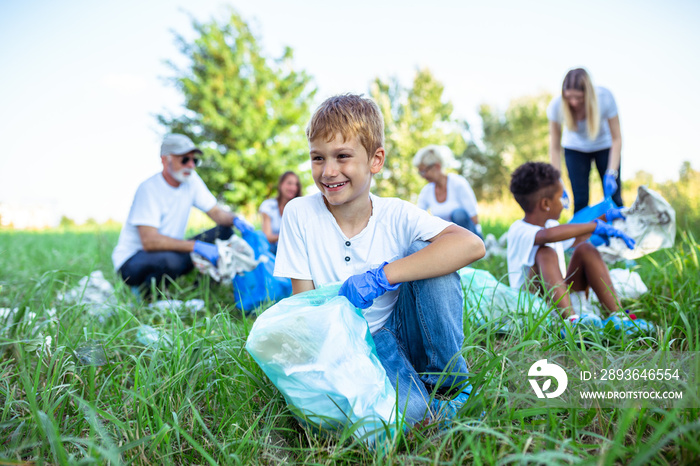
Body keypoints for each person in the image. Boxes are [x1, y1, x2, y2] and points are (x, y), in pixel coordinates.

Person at [274, 94, 485, 426]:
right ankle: (425, 406)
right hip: (348, 347)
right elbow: (303, 304)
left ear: (375, 160)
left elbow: (470, 245)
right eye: (318, 158)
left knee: (431, 257)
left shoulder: (396, 213)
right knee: (407, 418)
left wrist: (383, 276)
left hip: (400, 329)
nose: (328, 172)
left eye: (343, 156)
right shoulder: (299, 213)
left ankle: (445, 382)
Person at [506, 162, 650, 331]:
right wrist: (594, 226)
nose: (564, 202)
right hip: (533, 306)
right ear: (545, 204)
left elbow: (575, 237)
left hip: (558, 299)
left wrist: (605, 218)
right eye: (561, 197)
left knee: (585, 249)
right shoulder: (519, 229)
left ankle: (618, 317)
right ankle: (572, 322)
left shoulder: (552, 225)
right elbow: (545, 237)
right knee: (546, 252)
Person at [112, 133, 252, 293]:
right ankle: (148, 296)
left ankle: (200, 292)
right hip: (133, 261)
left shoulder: (191, 181)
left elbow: (215, 211)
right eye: (184, 159)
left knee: (224, 231)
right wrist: (197, 246)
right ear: (165, 160)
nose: (191, 165)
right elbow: (149, 242)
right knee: (171, 260)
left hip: (170, 251)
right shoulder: (149, 189)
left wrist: (235, 220)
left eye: (194, 160)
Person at [548, 68, 623, 213]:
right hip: (574, 149)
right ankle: (581, 234)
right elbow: (555, 148)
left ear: (588, 95)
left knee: (614, 198)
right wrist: (557, 180)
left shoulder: (605, 98)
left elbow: (617, 138)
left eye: (579, 97)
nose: (574, 102)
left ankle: (619, 233)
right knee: (580, 199)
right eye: (569, 97)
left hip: (604, 146)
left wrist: (612, 172)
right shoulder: (556, 106)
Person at [413, 145, 482, 238]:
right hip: (446, 240)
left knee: (458, 214)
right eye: (420, 172)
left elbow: (475, 219)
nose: (422, 176)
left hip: (471, 237)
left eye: (424, 171)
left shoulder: (458, 183)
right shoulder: (426, 191)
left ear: (437, 166)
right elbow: (418, 219)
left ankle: (473, 250)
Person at [259, 171, 302, 255]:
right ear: (281, 185)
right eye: (289, 183)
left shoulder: (300, 207)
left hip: (293, 250)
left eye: (296, 184)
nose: (293, 188)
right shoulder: (268, 205)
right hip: (273, 250)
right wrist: (289, 235)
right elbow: (267, 236)